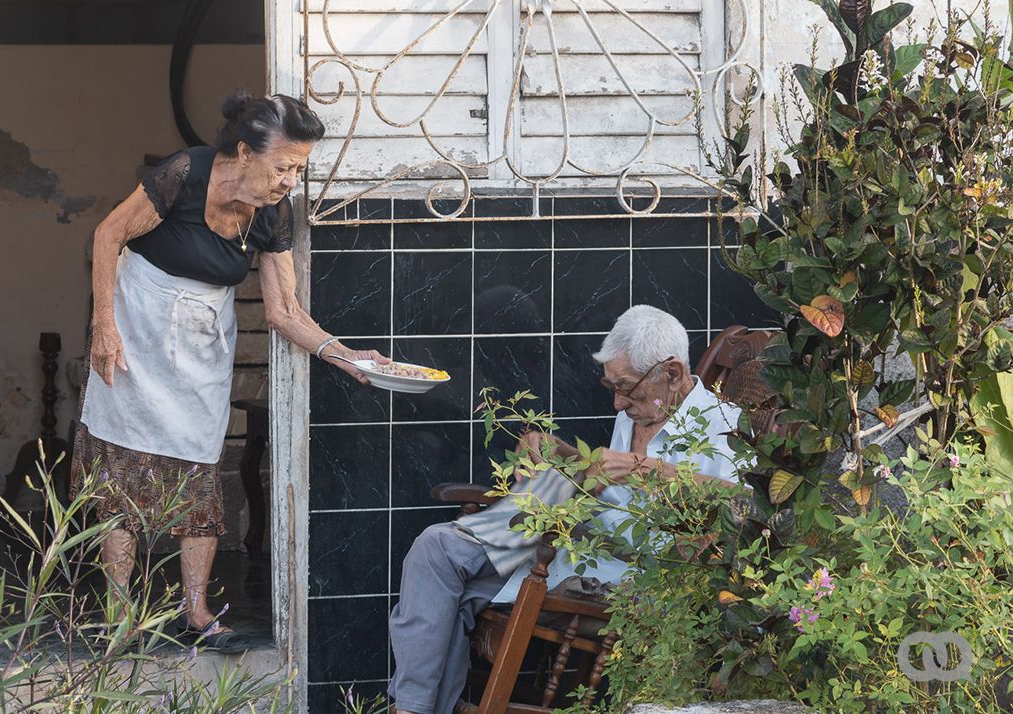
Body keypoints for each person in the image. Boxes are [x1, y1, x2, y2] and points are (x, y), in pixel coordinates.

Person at [70, 90, 386, 652]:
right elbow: (107, 234)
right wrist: (103, 326)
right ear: (244, 152)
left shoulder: (272, 215)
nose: (291, 180)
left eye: (300, 169)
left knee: (198, 473)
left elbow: (284, 311)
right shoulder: (185, 174)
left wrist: (347, 355)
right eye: (284, 166)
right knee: (119, 471)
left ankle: (194, 612)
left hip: (201, 345)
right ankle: (119, 615)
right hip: (134, 331)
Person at [388, 305, 743, 714]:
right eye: (612, 386)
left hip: (623, 578)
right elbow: (607, 479)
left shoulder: (725, 427)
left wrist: (648, 468)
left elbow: (744, 505)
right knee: (434, 550)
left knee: (455, 592)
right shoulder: (644, 407)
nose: (616, 403)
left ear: (674, 373)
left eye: (626, 388)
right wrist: (557, 450)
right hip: (573, 539)